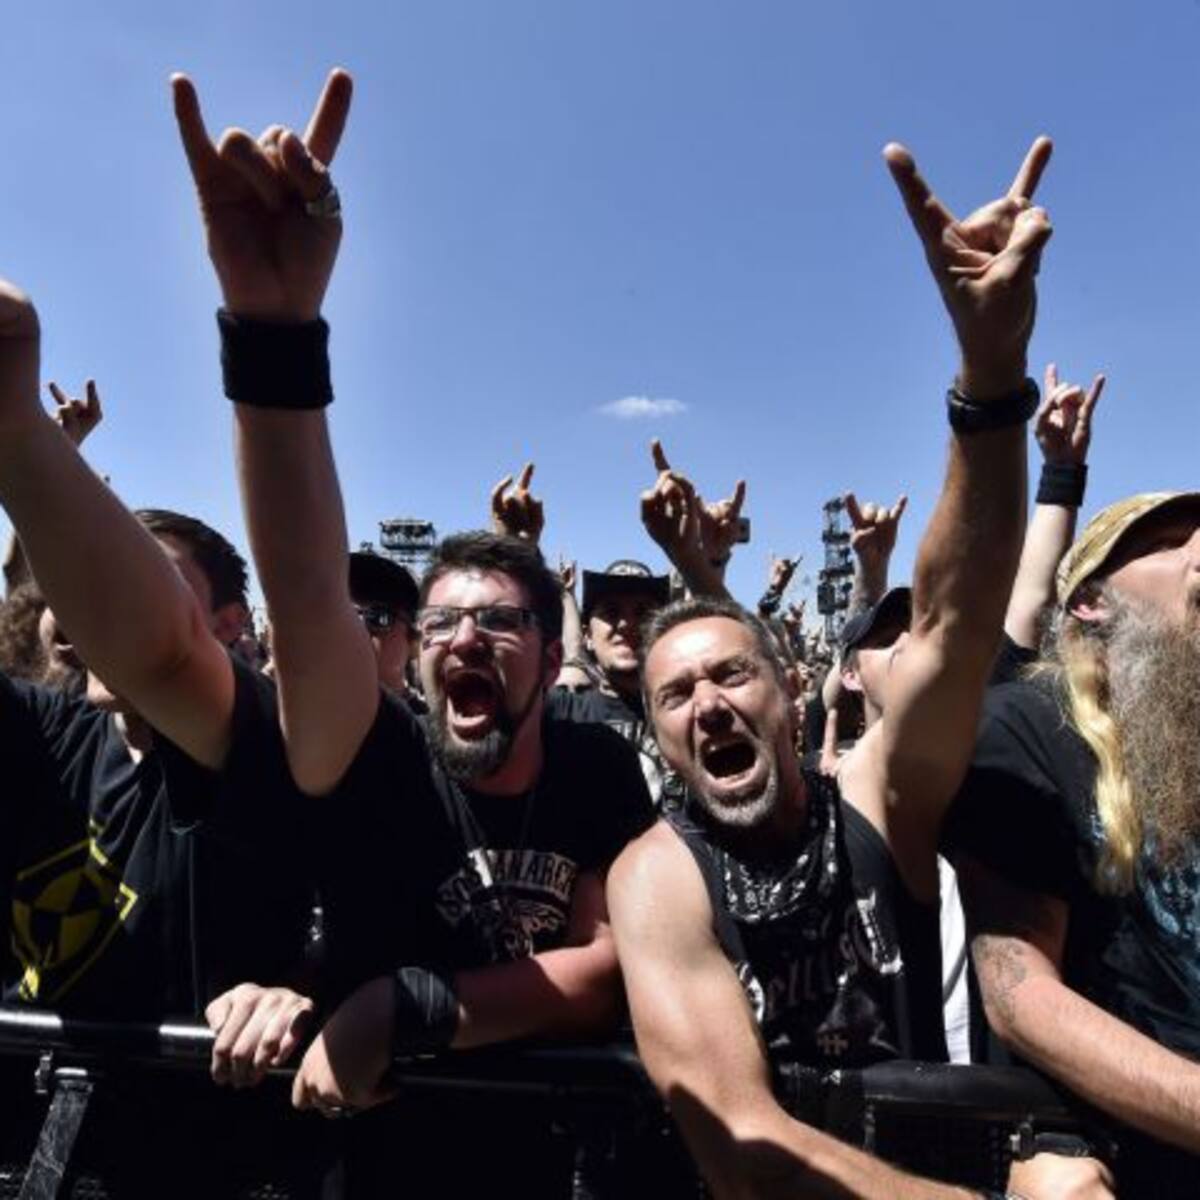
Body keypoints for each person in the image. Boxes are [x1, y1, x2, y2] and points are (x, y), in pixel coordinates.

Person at [172, 70, 654, 1193]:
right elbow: (307, 598)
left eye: (500, 621)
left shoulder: (593, 762)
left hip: (560, 1167)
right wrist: (274, 335)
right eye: (440, 622)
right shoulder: (384, 755)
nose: (463, 641)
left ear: (553, 653)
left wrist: (411, 1006)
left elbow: (608, 969)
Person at [607, 138, 1111, 1197]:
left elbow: (956, 622)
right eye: (676, 694)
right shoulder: (656, 876)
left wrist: (989, 381)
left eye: (732, 676)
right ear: (655, 733)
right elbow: (744, 1149)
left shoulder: (879, 799)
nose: (709, 705)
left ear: (792, 691)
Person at [948, 490, 1200, 1195]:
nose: (1199, 551)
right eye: (1169, 542)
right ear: (1091, 603)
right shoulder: (1027, 727)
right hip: (1123, 1151)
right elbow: (1020, 996)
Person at [348, 548, 422, 706]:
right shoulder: (301, 716)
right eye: (345, 616)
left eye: (379, 618)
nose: (356, 630)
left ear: (413, 643)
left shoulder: (434, 722)